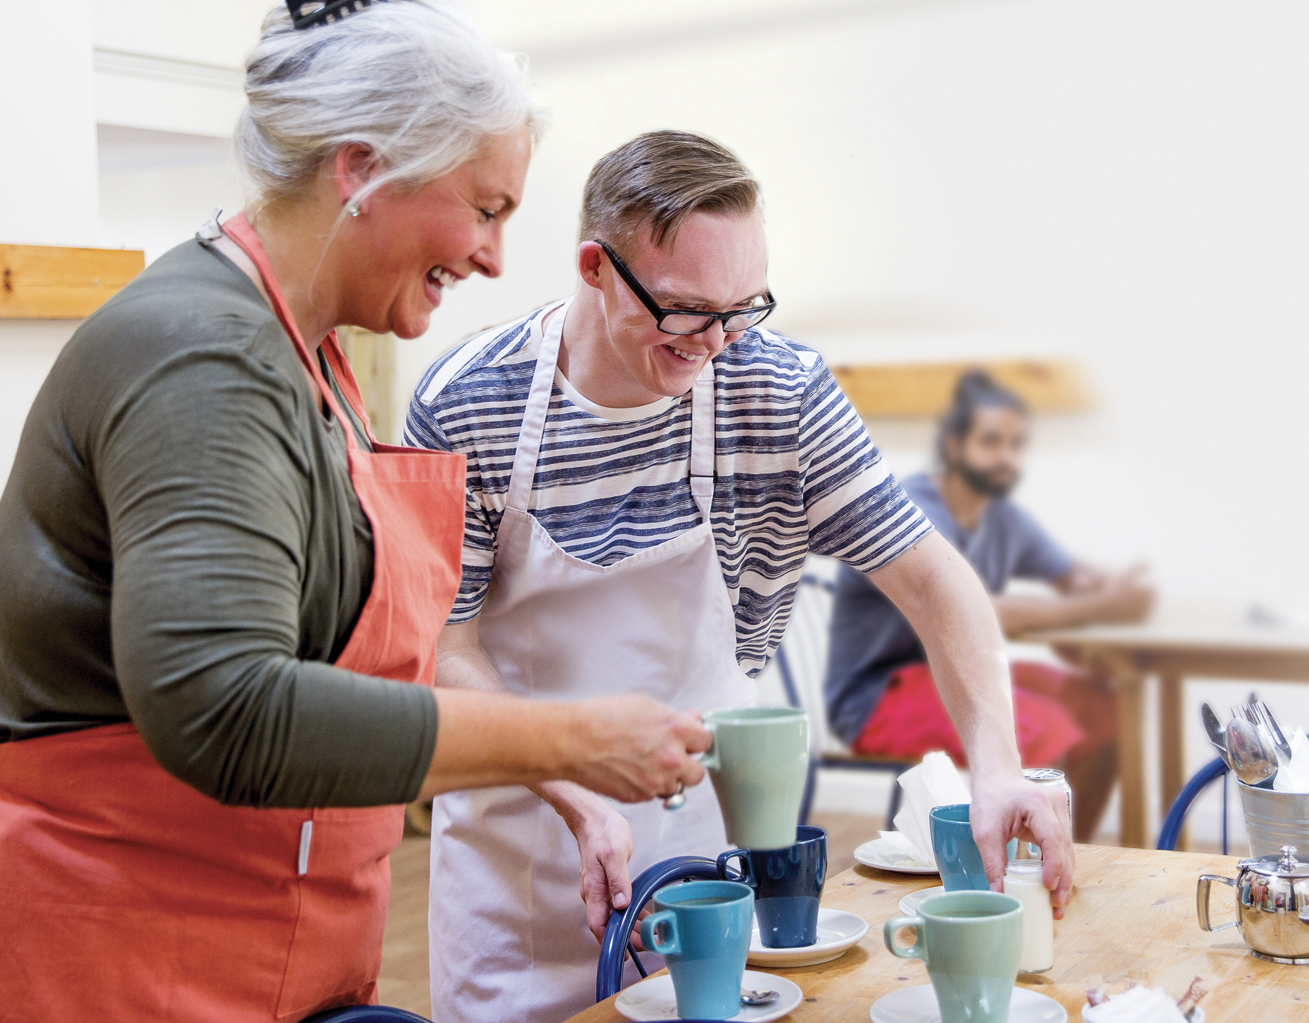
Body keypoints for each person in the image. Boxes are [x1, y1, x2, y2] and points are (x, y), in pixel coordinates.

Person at [0, 6, 710, 1021]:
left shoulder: (306, 354)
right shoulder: (205, 361)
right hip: (134, 951)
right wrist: (562, 741)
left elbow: (346, 660)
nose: (494, 258)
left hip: (268, 937)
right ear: (360, 168)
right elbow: (224, 708)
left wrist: (565, 780)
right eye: (484, 207)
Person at [406, 131, 1076, 1023]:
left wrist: (993, 765)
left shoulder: (775, 389)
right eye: (685, 310)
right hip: (517, 854)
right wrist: (572, 789)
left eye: (741, 307)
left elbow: (933, 581)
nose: (715, 343)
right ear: (596, 268)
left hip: (697, 843)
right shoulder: (468, 401)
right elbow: (443, 643)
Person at [825, 370, 1155, 840]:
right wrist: (1102, 603)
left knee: (1104, 709)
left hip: (963, 672)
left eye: (1015, 444)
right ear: (954, 447)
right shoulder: (912, 505)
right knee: (1049, 727)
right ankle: (1026, 877)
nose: (1006, 457)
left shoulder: (1003, 516)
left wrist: (1109, 586)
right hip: (879, 693)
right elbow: (977, 609)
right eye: (991, 442)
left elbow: (1074, 577)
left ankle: (1069, 851)